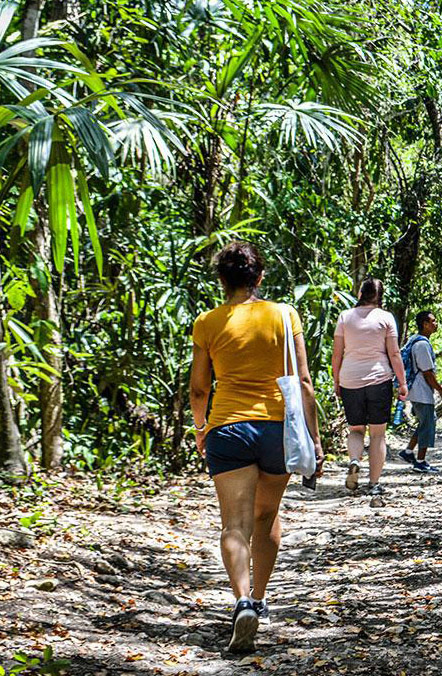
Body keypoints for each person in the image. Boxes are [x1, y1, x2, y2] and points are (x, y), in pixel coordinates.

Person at [189, 241, 322, 653]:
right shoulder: (284, 314)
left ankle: (242, 601)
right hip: (276, 430)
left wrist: (200, 428)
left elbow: (198, 388)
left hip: (227, 429)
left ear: (222, 280)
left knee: (234, 524)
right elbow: (303, 382)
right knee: (267, 516)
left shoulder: (207, 323)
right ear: (259, 278)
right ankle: (260, 600)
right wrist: (315, 439)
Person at [332, 278, 408, 503]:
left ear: (360, 292)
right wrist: (402, 383)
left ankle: (355, 460)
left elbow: (337, 353)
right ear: (380, 295)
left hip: (350, 379)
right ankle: (374, 484)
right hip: (379, 379)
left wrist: (337, 380)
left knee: (356, 429)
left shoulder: (345, 317)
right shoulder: (385, 318)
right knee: (377, 434)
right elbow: (394, 353)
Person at [399, 311, 442, 473]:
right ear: (425, 324)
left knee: (425, 422)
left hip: (417, 390)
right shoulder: (421, 345)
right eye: (433, 321)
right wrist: (441, 391)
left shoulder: (416, 341)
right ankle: (420, 461)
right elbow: (427, 372)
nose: (436, 324)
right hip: (421, 391)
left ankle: (408, 452)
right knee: (428, 424)